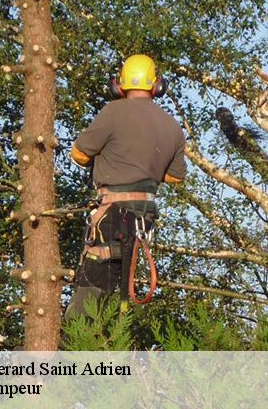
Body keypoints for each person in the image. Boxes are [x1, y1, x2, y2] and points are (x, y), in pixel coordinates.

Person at [64, 54, 187, 320]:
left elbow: (79, 154)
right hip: (143, 217)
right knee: (121, 284)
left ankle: (72, 347)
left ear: (119, 85)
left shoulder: (112, 112)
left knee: (93, 285)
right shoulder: (172, 126)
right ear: (157, 86)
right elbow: (176, 177)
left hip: (112, 213)